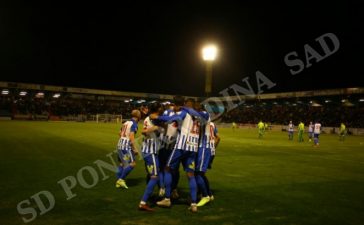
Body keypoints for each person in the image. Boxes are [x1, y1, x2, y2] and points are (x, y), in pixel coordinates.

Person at [155, 97, 203, 212]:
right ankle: (193, 204)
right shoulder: (199, 116)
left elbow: (173, 119)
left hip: (182, 146)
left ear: (186, 104)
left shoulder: (185, 112)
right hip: (193, 147)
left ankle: (167, 198)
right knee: (190, 175)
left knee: (167, 168)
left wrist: (157, 117)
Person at [138, 103, 163, 211]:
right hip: (150, 151)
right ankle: (143, 202)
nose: (162, 110)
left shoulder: (154, 118)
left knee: (154, 173)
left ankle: (158, 191)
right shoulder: (150, 120)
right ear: (157, 109)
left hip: (152, 151)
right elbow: (143, 131)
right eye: (161, 108)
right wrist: (156, 128)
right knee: (154, 176)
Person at [115, 109, 141, 189]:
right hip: (126, 147)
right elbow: (131, 137)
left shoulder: (125, 122)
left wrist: (123, 139)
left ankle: (118, 182)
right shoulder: (134, 124)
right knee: (132, 164)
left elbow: (120, 133)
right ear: (138, 116)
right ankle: (121, 179)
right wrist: (135, 149)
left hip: (120, 145)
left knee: (122, 163)